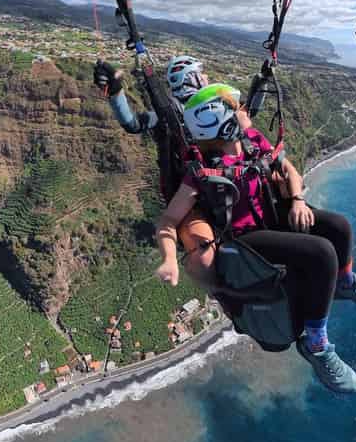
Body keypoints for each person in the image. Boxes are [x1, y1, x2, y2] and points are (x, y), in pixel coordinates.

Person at [154, 84, 356, 393]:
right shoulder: (202, 172)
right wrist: (170, 259)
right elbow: (169, 220)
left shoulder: (252, 142)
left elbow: (286, 169)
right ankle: (316, 346)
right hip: (246, 238)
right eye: (235, 108)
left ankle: (345, 283)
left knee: (338, 227)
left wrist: (298, 200)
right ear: (221, 120)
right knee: (322, 253)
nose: (242, 112)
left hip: (273, 215)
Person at [92, 55, 261, 287]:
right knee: (204, 256)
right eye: (201, 74)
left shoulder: (215, 104)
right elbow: (132, 123)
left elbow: (245, 122)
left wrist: (260, 85)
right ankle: (226, 292)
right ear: (190, 78)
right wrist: (115, 92)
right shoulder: (167, 115)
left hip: (224, 181)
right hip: (191, 194)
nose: (206, 77)